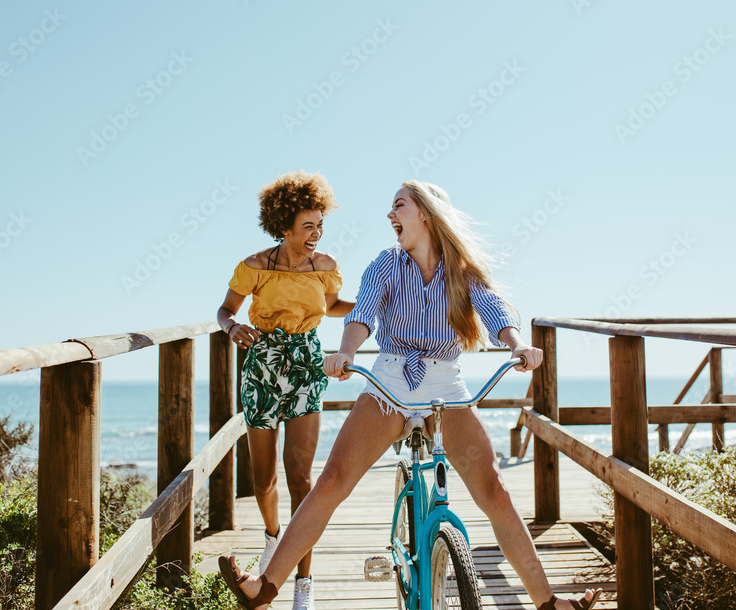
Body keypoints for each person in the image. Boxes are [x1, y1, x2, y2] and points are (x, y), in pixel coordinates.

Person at [219, 180, 601, 610]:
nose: (390, 215)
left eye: (398, 206)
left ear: (426, 214)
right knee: (332, 480)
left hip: (444, 383)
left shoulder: (463, 271)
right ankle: (264, 587)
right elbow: (362, 314)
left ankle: (549, 604)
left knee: (493, 489)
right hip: (391, 380)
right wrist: (345, 353)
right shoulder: (386, 263)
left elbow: (494, 310)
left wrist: (517, 346)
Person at [216, 171, 354, 610]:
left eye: (320, 225)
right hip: (263, 366)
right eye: (308, 226)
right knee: (264, 480)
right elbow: (224, 310)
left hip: (307, 365)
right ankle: (273, 537)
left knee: (301, 479)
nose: (316, 234)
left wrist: (378, 307)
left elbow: (331, 308)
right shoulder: (255, 266)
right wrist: (234, 326)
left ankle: (304, 585)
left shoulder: (327, 267)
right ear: (284, 227)